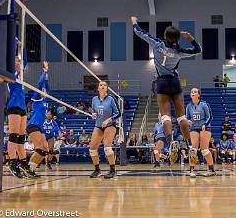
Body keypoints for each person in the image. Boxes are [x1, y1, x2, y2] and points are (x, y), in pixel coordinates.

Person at [131, 16, 201, 169]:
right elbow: (198, 50)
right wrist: (189, 38)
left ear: (165, 36)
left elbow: (139, 32)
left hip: (161, 82)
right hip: (174, 82)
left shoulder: (157, 44)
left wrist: (134, 21)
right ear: (177, 38)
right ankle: (190, 146)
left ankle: (171, 143)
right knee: (182, 116)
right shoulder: (179, 51)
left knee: (165, 117)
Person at [6, 38, 32, 178]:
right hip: (14, 105)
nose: (19, 62)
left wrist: (22, 48)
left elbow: (25, 61)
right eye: (16, 61)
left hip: (22, 108)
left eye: (19, 61)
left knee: (21, 137)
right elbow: (10, 58)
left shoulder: (20, 75)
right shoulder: (11, 75)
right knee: (14, 134)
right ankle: (12, 161)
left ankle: (23, 163)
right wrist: (16, 45)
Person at [89, 81, 121, 179]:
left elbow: (118, 113)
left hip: (110, 125)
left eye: (105, 85)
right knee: (92, 148)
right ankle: (97, 170)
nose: (102, 86)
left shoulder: (111, 99)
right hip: (98, 125)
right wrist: (93, 114)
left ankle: (112, 170)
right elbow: (94, 112)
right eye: (100, 85)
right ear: (98, 88)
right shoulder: (94, 99)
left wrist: (108, 120)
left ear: (107, 88)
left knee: (107, 147)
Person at [26, 61, 50, 177]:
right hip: (33, 125)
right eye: (43, 90)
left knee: (45, 149)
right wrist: (44, 71)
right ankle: (28, 169)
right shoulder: (36, 98)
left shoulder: (45, 101)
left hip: (39, 128)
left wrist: (47, 76)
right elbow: (40, 83)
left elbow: (46, 85)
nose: (45, 91)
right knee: (39, 147)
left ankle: (32, 169)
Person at [186, 88, 215, 177]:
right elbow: (187, 118)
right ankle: (191, 170)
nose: (193, 93)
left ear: (198, 95)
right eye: (191, 92)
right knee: (193, 149)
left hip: (204, 127)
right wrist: (188, 121)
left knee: (204, 149)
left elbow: (210, 117)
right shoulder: (188, 106)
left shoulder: (204, 104)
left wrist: (205, 124)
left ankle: (211, 170)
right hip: (194, 128)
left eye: (195, 92)